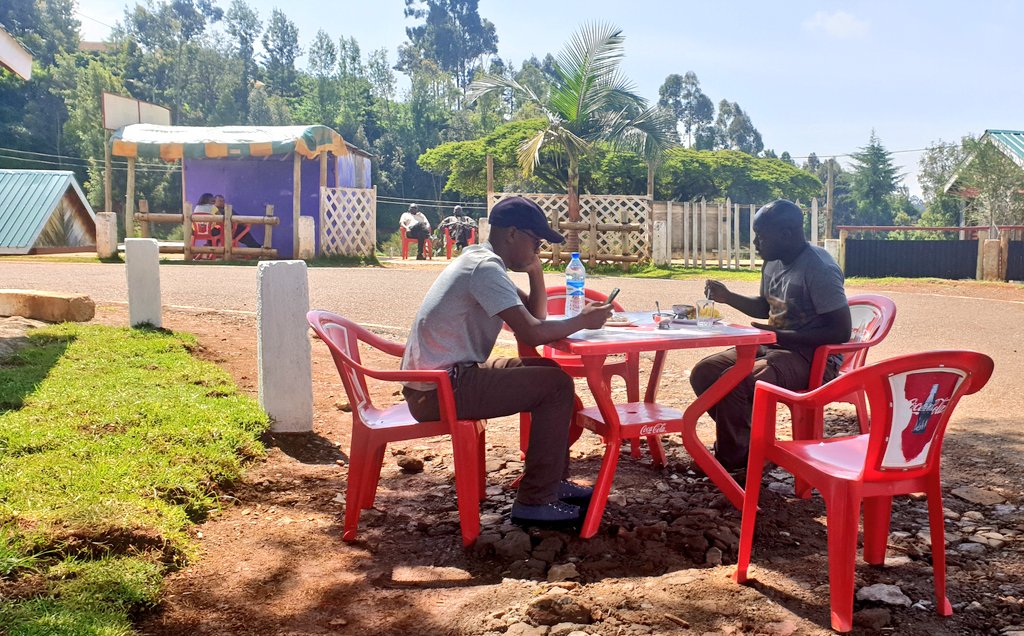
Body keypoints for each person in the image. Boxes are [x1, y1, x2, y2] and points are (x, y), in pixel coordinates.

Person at [400, 196, 613, 525]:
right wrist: (582, 321)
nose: (538, 248)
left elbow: (536, 315)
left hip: (446, 379)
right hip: (438, 390)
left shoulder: (482, 260)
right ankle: (535, 500)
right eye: (536, 241)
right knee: (555, 386)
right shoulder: (484, 269)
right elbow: (533, 333)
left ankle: (550, 483)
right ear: (512, 234)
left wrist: (535, 268)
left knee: (548, 372)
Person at [689, 199, 851, 471]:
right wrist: (727, 296)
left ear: (786, 235)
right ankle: (748, 448)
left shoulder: (818, 268)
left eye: (760, 237)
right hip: (775, 344)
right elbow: (766, 307)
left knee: (735, 382)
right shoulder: (773, 262)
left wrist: (782, 336)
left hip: (812, 357)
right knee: (704, 373)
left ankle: (736, 462)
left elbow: (840, 331)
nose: (754, 244)